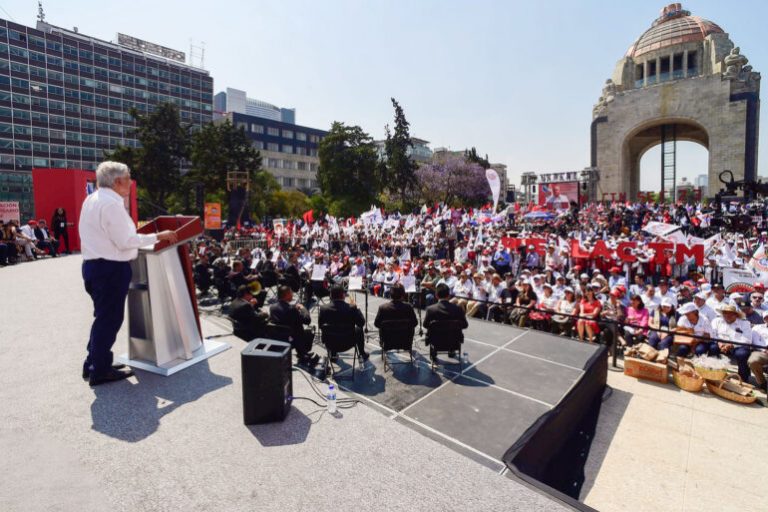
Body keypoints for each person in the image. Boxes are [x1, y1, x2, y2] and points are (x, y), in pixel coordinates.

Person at [79, 161, 178, 385]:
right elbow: (126, 241)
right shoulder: (111, 205)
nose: (131, 182)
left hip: (94, 267)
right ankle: (100, 370)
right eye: (128, 177)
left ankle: (94, 362)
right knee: (109, 320)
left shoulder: (92, 199)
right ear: (117, 182)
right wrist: (158, 236)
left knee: (102, 318)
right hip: (110, 269)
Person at [269, 285, 319, 366]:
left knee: (297, 326)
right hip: (289, 338)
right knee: (308, 331)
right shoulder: (291, 309)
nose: (292, 295)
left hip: (277, 336)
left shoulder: (272, 307)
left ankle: (302, 353)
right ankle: (303, 354)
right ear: (287, 295)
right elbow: (307, 320)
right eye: (291, 293)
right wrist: (303, 308)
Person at [318, 285, 369, 362]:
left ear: (331, 295)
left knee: (330, 329)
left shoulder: (323, 309)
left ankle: (333, 354)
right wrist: (356, 308)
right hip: (348, 342)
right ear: (343, 295)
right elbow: (361, 323)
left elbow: (320, 326)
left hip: (331, 343)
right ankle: (362, 353)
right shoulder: (351, 308)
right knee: (358, 329)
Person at [709, 304, 753, 382]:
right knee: (712, 347)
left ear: (736, 315)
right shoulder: (717, 320)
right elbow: (712, 334)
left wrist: (732, 345)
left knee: (742, 354)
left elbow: (747, 340)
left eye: (731, 313)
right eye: (725, 313)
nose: (727, 315)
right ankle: (713, 372)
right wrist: (719, 343)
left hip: (737, 346)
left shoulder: (745, 323)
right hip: (720, 343)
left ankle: (743, 378)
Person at [424, 283, 468, 360]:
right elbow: (465, 325)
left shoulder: (431, 309)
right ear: (448, 296)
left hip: (436, 341)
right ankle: (451, 350)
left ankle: (434, 352)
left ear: (436, 295)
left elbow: (425, 325)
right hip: (454, 342)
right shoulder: (457, 309)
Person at [748, 309, 768, 391]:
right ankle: (762, 383)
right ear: (764, 319)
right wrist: (765, 349)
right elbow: (755, 341)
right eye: (767, 317)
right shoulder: (757, 328)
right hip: (761, 351)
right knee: (753, 360)